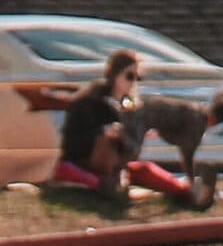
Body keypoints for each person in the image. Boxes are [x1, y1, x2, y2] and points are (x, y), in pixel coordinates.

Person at [51, 48, 198, 205]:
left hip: (114, 167)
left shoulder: (128, 108)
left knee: (144, 170)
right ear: (115, 74)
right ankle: (112, 189)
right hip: (83, 162)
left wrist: (135, 133)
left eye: (137, 78)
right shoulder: (88, 102)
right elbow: (70, 144)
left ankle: (187, 192)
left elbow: (130, 155)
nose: (133, 83)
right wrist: (102, 132)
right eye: (129, 76)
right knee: (103, 181)